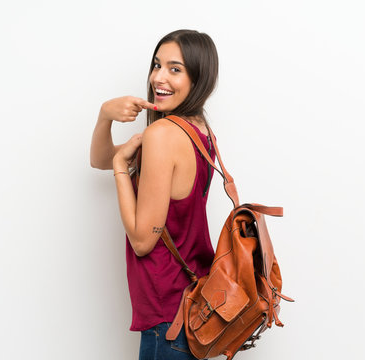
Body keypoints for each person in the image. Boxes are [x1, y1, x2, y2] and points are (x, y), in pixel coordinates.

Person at [90, 29, 219, 360]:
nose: (158, 77)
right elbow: (99, 159)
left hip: (168, 317)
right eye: (157, 65)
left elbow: (142, 241)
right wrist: (105, 115)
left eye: (175, 69)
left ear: (198, 78)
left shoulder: (162, 134)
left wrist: (122, 169)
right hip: (192, 310)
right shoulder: (200, 130)